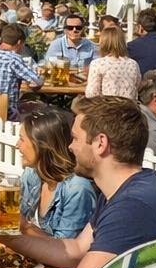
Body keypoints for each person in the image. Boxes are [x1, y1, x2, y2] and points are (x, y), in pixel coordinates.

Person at [0, 95, 156, 268]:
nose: (70, 147)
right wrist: (5, 237)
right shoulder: (129, 188)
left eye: (75, 138)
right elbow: (75, 251)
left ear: (100, 143)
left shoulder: (133, 205)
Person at [16, 101, 97, 238]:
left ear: (42, 145)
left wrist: (24, 226)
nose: (17, 145)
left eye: (22, 139)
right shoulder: (32, 175)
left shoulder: (77, 189)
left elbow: (67, 247)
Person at [85, 25, 141, 101]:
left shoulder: (97, 64)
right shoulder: (133, 64)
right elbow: (137, 87)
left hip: (107, 106)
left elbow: (92, 94)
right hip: (129, 106)